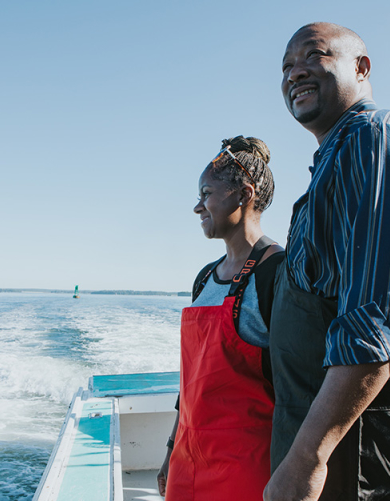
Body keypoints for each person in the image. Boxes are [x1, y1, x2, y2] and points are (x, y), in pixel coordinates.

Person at [264, 23, 390, 500]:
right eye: (286, 67)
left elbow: (377, 319)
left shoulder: (376, 141)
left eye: (314, 56)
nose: (296, 73)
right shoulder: (337, 158)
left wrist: (307, 457)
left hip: (368, 467)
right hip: (340, 457)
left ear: (361, 67)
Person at [156, 136, 285, 500]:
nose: (198, 207)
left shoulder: (277, 272)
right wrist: (170, 450)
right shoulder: (204, 279)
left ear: (243, 195)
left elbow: (298, 386)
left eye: (206, 193)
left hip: (246, 467)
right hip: (188, 458)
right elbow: (192, 382)